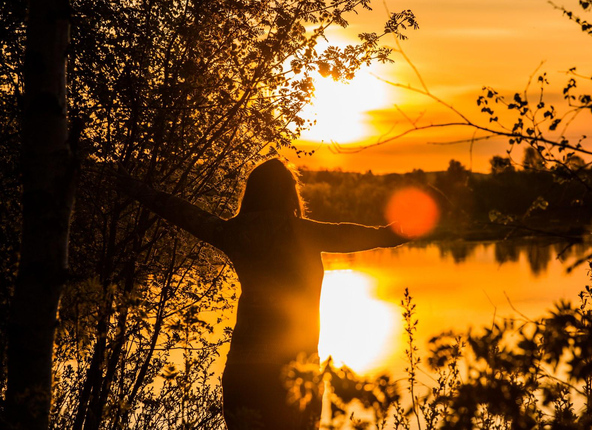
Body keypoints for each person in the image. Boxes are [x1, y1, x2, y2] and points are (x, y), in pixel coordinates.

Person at [119, 158, 407, 429]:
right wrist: (406, 228)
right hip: (294, 373)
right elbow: (371, 235)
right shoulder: (304, 232)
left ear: (253, 193)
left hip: (244, 371)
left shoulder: (233, 232)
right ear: (287, 194)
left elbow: (178, 210)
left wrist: (129, 185)